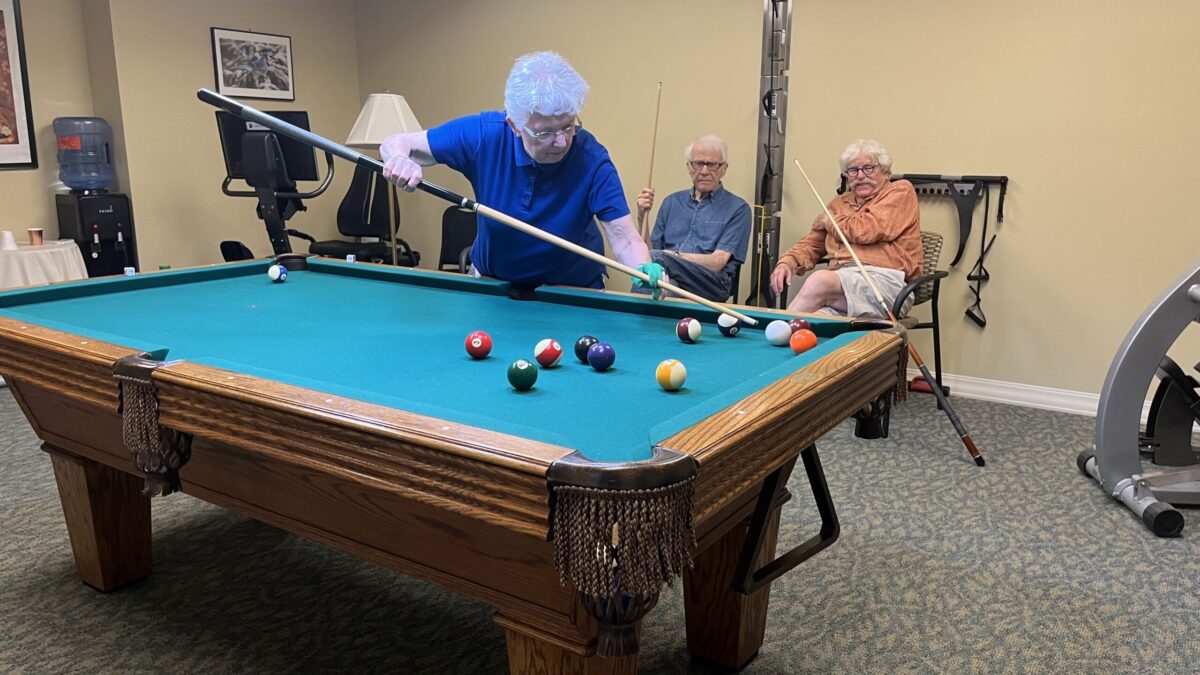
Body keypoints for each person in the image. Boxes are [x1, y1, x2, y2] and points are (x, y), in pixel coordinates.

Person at [380, 51, 659, 292]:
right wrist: (398, 159)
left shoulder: (592, 158)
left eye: (568, 126)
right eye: (545, 132)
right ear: (514, 126)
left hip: (573, 292)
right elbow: (397, 142)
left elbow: (624, 238)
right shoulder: (484, 135)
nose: (561, 141)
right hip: (493, 284)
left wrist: (644, 268)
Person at [769, 139, 922, 318]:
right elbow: (812, 243)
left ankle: (770, 333)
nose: (860, 175)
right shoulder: (839, 204)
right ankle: (776, 334)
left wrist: (830, 222)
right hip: (839, 287)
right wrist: (788, 261)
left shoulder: (900, 191)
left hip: (887, 286)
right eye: (853, 170)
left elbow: (867, 229)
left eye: (868, 168)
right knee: (811, 324)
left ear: (885, 171)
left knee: (820, 280)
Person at [634, 135, 751, 302]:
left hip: (711, 283)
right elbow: (649, 253)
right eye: (698, 164)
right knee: (653, 284)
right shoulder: (671, 202)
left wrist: (671, 256)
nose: (704, 171)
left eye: (712, 165)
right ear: (689, 167)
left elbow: (717, 262)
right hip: (671, 277)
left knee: (657, 262)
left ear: (724, 168)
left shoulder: (738, 209)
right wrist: (641, 216)